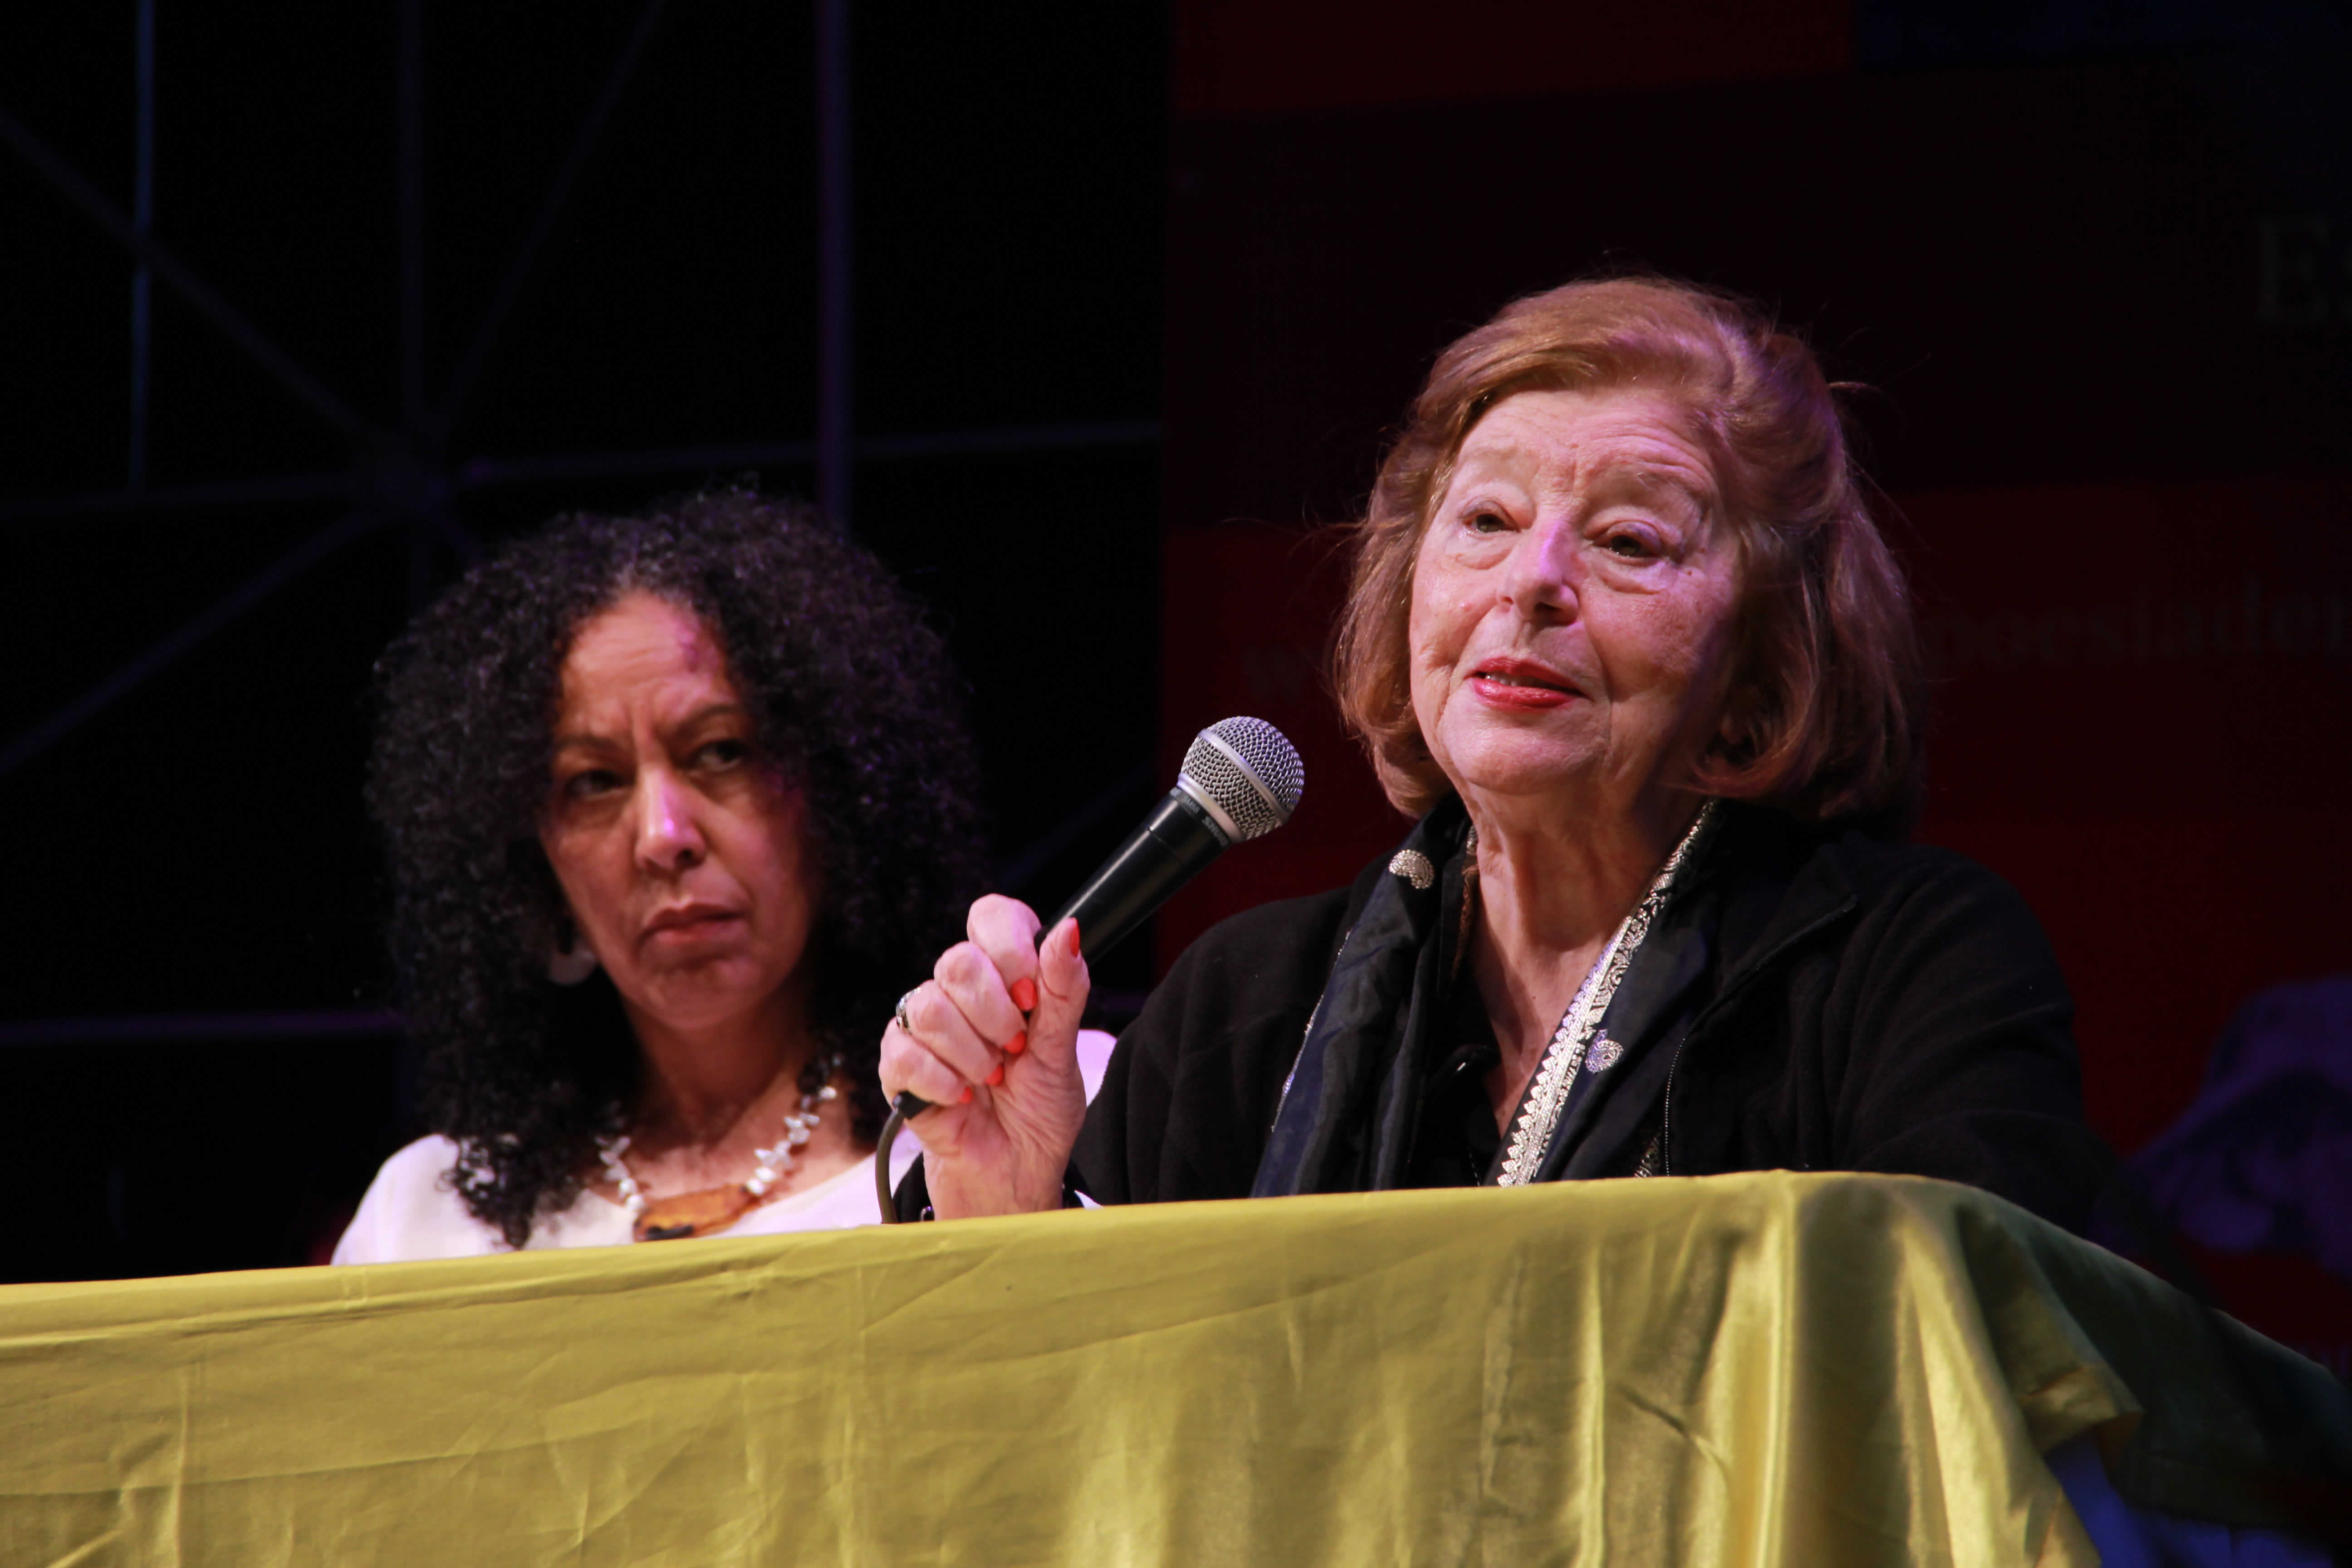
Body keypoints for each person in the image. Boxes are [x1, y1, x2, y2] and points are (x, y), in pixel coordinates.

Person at [882, 276, 2116, 1230]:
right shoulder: (1248, 1004)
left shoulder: (1910, 970)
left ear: (1762, 669)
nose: (1530, 585)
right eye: (1485, 520)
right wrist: (1017, 1208)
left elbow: (1981, 1391)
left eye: (1629, 542)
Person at [337, 490, 1004, 1259]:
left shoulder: (1017, 1121)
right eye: (593, 781)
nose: (662, 837)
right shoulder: (423, 1219)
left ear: (841, 796)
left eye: (721, 752)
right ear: (532, 866)